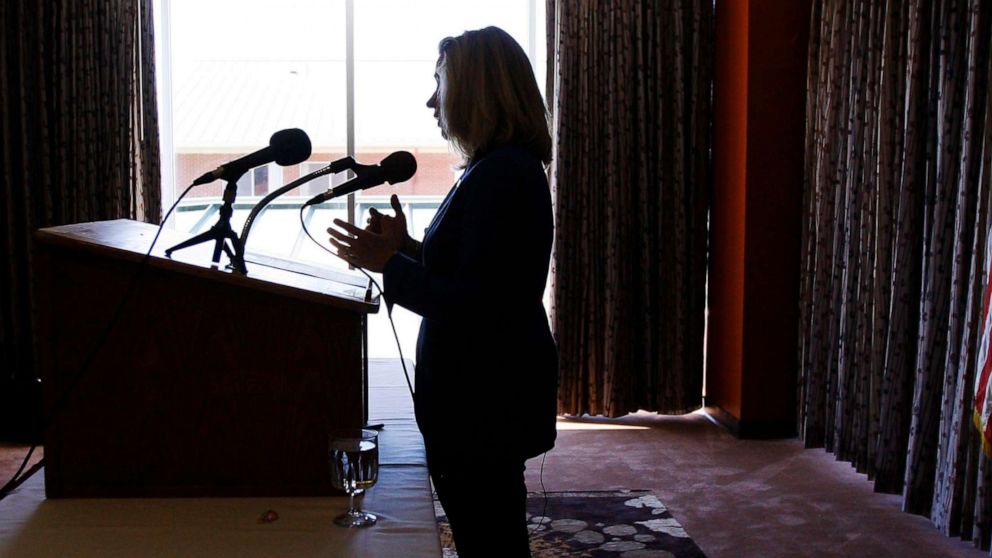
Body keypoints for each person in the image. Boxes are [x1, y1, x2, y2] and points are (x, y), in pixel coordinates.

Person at [327, 26, 557, 557]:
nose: (432, 100)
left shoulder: (502, 174)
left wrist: (389, 264)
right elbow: (474, 269)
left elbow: (478, 305)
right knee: (488, 531)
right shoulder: (494, 167)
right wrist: (405, 247)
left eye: (440, 83)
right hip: (482, 395)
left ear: (477, 90)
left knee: (490, 538)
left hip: (484, 400)